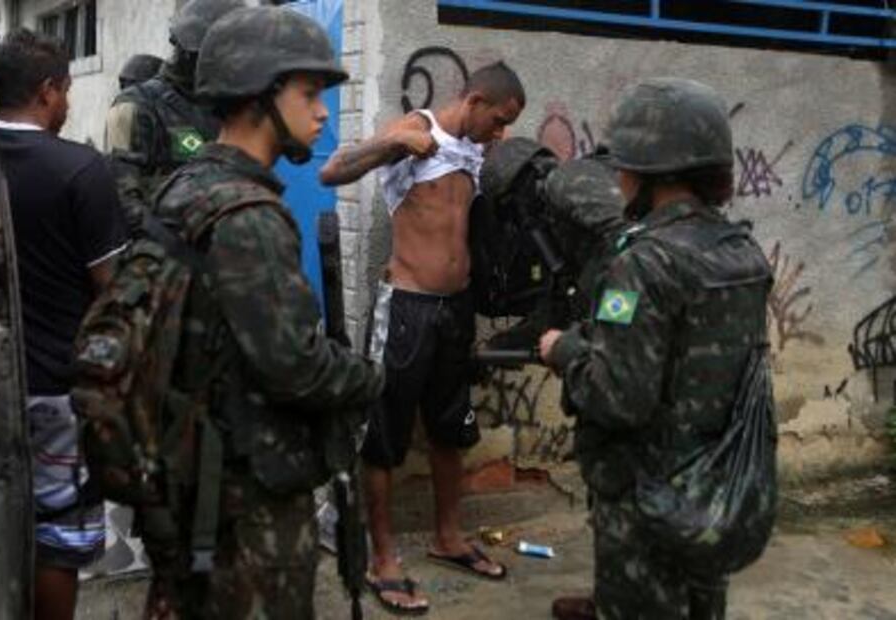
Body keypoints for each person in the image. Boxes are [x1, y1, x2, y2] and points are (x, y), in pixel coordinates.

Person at [150, 7, 384, 618]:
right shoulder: (248, 215)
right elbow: (294, 366)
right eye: (309, 94)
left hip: (192, 474)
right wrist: (366, 377)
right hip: (246, 496)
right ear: (259, 95)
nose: (323, 112)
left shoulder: (183, 186)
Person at [539, 78, 774, 620]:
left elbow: (619, 397)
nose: (618, 182)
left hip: (646, 502)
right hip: (712, 488)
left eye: (623, 170)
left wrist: (565, 351)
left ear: (651, 175)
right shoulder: (742, 252)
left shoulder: (642, 265)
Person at [320, 61, 525, 614]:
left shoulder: (476, 150)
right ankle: (382, 557)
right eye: (499, 120)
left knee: (449, 429)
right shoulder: (416, 130)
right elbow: (332, 171)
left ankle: (448, 538)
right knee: (384, 433)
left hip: (456, 310)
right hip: (407, 308)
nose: (501, 132)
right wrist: (396, 143)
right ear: (475, 101)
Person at [0, 28, 128, 620]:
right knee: (57, 537)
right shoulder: (80, 169)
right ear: (47, 91)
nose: (67, 103)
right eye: (66, 91)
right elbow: (113, 290)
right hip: (57, 388)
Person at [105, 0, 243, 234]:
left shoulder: (227, 106)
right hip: (163, 248)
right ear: (189, 54)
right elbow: (121, 200)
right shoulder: (134, 105)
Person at [476, 137, 628, 349]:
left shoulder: (563, 180)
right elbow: (557, 306)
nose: (518, 218)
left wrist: (611, 323)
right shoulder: (557, 223)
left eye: (510, 206)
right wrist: (504, 344)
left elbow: (628, 241)